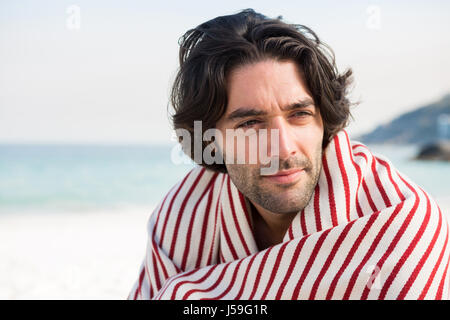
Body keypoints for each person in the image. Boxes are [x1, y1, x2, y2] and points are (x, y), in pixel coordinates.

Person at [129, 9, 449, 300]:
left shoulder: (401, 228)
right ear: (211, 139)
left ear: (323, 120)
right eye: (252, 123)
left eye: (299, 114)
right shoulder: (184, 215)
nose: (284, 148)